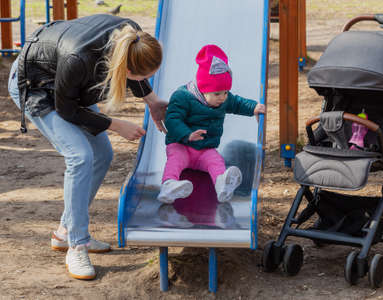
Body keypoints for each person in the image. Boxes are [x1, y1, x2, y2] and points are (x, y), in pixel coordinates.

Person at [8, 14, 167, 280]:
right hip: (36, 86)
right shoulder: (79, 60)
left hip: (70, 86)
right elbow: (67, 110)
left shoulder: (133, 37)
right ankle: (77, 244)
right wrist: (114, 124)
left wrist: (152, 101)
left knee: (103, 154)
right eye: (145, 76)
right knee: (80, 156)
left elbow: (135, 75)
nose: (147, 79)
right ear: (125, 70)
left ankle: (64, 232)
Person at [157, 44, 265, 204]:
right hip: (181, 145)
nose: (222, 97)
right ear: (202, 88)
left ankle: (222, 185)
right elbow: (172, 119)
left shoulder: (223, 99)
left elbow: (238, 103)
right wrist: (187, 134)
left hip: (204, 149)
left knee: (216, 161)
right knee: (176, 160)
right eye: (217, 93)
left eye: (225, 92)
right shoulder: (182, 96)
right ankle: (169, 185)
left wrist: (254, 107)